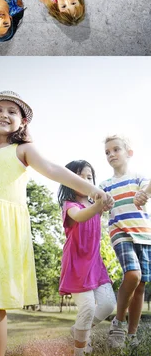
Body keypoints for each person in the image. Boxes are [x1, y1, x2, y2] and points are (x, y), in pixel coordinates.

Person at [0, 90, 110, 356]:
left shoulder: (23, 149)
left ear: (23, 122)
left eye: (12, 111)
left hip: (1, 230)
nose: (4, 114)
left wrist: (92, 190)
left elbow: (53, 169)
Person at [58, 160, 116, 356]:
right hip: (76, 263)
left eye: (88, 178)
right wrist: (100, 203)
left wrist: (106, 201)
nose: (84, 181)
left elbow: (105, 206)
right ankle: (79, 351)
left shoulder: (95, 204)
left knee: (108, 304)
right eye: (78, 177)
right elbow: (81, 216)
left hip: (95, 262)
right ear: (68, 181)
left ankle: (80, 330)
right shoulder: (69, 205)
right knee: (88, 307)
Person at [100, 135, 151, 350]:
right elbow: (99, 202)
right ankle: (119, 323)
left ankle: (131, 335)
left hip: (145, 235)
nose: (111, 154)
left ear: (129, 153)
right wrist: (102, 201)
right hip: (120, 233)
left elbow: (148, 188)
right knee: (132, 274)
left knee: (140, 286)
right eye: (107, 152)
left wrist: (144, 194)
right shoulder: (105, 184)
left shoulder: (138, 178)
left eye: (115, 150)